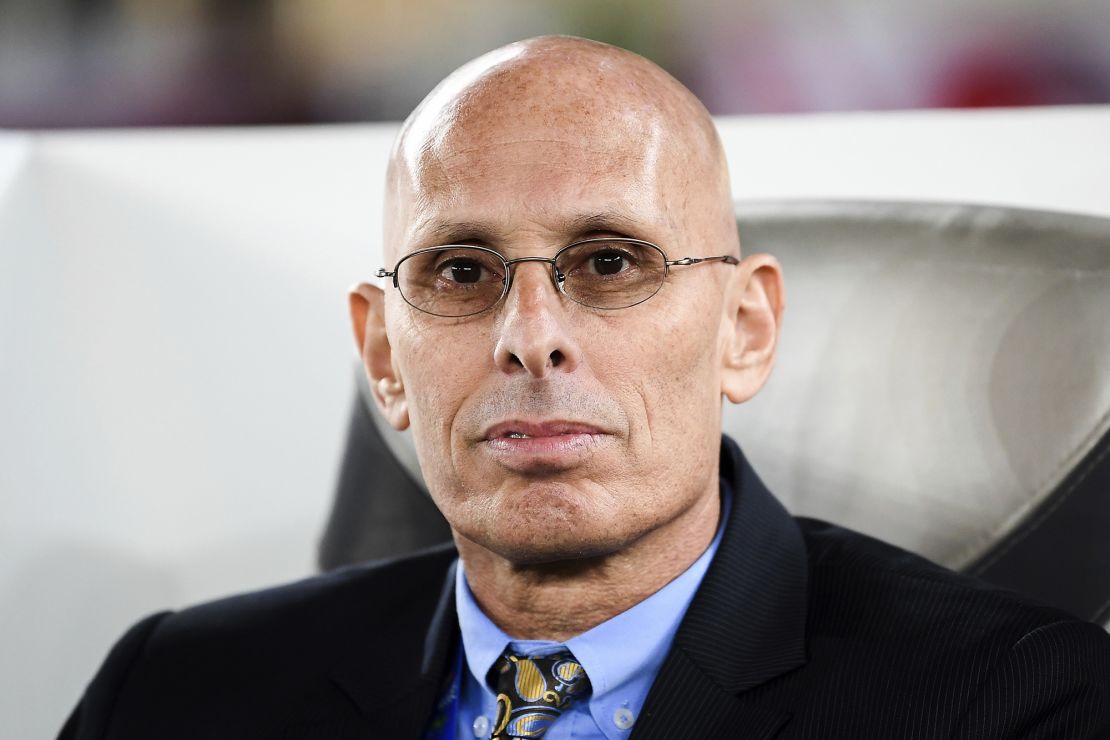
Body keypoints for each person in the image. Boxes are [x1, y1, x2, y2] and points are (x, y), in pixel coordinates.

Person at [60, 36, 1110, 740]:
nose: (531, 339)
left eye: (611, 262)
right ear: (384, 356)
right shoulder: (169, 693)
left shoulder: (1023, 704)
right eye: (461, 272)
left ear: (744, 331)